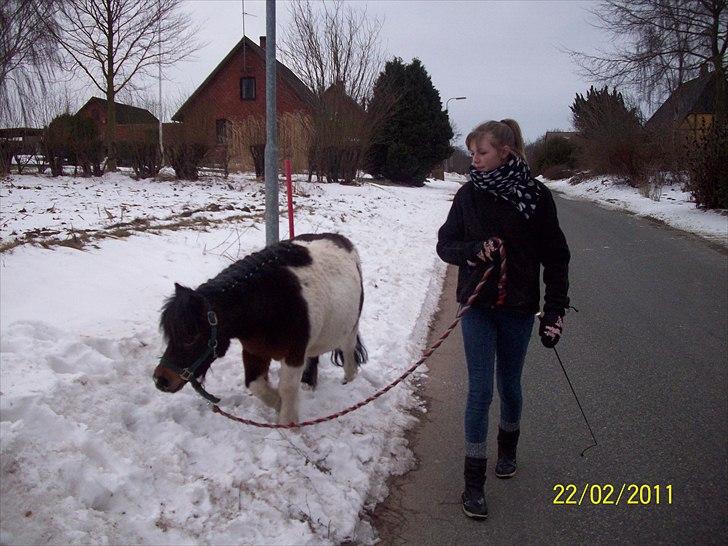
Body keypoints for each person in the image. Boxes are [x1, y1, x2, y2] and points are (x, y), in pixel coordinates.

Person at [436, 119, 570, 519]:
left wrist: (555, 311)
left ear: (505, 152)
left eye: (482, 153)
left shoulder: (537, 197)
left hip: (518, 307)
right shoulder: (468, 197)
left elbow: (556, 258)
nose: (474, 161)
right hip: (477, 308)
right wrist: (476, 249)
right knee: (480, 391)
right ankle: (473, 482)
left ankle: (507, 448)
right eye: (472, 153)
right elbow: (446, 245)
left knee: (509, 385)